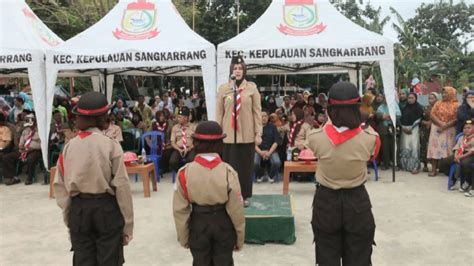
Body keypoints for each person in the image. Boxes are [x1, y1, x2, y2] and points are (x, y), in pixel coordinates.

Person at [53, 92, 133, 265]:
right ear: (103, 117)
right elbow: (122, 187)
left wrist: (70, 217)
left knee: (82, 259)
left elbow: (60, 187)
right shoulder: (111, 146)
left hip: (79, 210)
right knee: (109, 259)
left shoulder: (68, 148)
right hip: (107, 210)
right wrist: (127, 225)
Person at [307, 82, 380, 265]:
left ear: (329, 109)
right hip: (357, 202)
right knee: (359, 257)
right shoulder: (370, 138)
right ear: (357, 108)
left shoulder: (315, 138)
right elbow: (372, 154)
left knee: (326, 256)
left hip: (326, 202)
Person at [173, 121, 245, 265]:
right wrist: (239, 237)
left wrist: (184, 236)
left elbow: (180, 210)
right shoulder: (228, 171)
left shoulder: (184, 173)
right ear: (220, 144)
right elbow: (236, 208)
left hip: (198, 225)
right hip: (223, 224)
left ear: (195, 143)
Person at [216, 55, 262, 207]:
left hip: (247, 135)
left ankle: (244, 196)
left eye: (240, 68)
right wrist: (218, 134)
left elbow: (257, 112)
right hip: (228, 136)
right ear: (231, 70)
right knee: (228, 168)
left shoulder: (252, 88)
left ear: (244, 70)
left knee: (244, 168)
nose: (237, 71)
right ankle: (229, 195)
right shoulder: (224, 89)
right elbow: (219, 113)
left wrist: (258, 133)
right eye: (235, 68)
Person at [2, 112, 42, 185]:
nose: (29, 126)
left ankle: (29, 178)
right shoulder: (25, 131)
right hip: (23, 150)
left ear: (35, 123)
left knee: (30, 159)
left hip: (35, 150)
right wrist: (21, 147)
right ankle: (11, 178)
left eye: (31, 124)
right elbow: (21, 141)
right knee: (6, 157)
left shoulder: (40, 131)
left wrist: (31, 148)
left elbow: (41, 144)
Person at [427, 87, 459, 176]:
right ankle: (433, 170)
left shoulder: (456, 105)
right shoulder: (438, 103)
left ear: (451, 93)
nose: (444, 95)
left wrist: (445, 126)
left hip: (450, 130)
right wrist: (441, 124)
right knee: (435, 149)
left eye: (446, 93)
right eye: (443, 93)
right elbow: (432, 115)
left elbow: (457, 118)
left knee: (449, 150)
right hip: (437, 129)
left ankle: (447, 170)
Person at [439, 120, 474, 196]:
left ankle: (468, 182)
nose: (466, 129)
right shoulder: (462, 137)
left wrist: (460, 157)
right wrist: (456, 156)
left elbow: (471, 152)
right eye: (465, 128)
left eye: (469, 128)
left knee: (465, 163)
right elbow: (456, 148)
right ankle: (455, 178)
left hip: (469, 155)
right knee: (443, 162)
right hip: (459, 154)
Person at [399, 93, 424, 174]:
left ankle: (415, 166)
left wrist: (411, 128)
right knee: (405, 146)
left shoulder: (419, 107)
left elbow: (419, 119)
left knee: (414, 146)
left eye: (412, 98)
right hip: (404, 129)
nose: (410, 99)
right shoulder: (404, 108)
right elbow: (401, 118)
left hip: (414, 129)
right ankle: (405, 166)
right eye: (409, 98)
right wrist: (403, 127)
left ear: (415, 98)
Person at [255, 110, 281, 183]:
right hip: (258, 150)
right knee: (254, 162)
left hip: (271, 150)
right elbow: (253, 143)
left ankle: (270, 175)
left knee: (277, 162)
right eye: (262, 116)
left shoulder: (273, 127)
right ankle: (260, 175)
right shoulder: (256, 127)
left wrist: (269, 153)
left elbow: (276, 142)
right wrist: (260, 152)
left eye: (265, 116)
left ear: (268, 117)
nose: (263, 118)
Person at [376, 94, 401, 170]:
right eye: (385, 98)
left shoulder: (395, 105)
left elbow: (398, 114)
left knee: (394, 146)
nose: (386, 100)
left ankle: (395, 164)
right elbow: (378, 115)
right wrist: (387, 116)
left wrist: (387, 116)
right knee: (384, 147)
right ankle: (385, 164)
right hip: (383, 129)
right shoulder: (381, 106)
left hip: (393, 128)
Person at [170, 107, 195, 173]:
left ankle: (188, 174)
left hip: (190, 148)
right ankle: (181, 174)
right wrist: (178, 149)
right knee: (173, 161)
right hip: (178, 148)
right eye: (178, 117)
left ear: (186, 118)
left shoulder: (194, 127)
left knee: (191, 160)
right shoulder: (175, 127)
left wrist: (189, 148)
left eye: (180, 117)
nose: (178, 119)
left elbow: (197, 141)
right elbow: (172, 142)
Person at [420, 92, 440, 172]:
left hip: (436, 130)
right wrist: (426, 123)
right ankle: (425, 165)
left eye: (432, 98)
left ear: (437, 99)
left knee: (435, 147)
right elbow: (420, 118)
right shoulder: (425, 108)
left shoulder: (440, 108)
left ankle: (436, 166)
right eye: (429, 98)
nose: (430, 100)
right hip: (425, 130)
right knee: (424, 146)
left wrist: (431, 123)